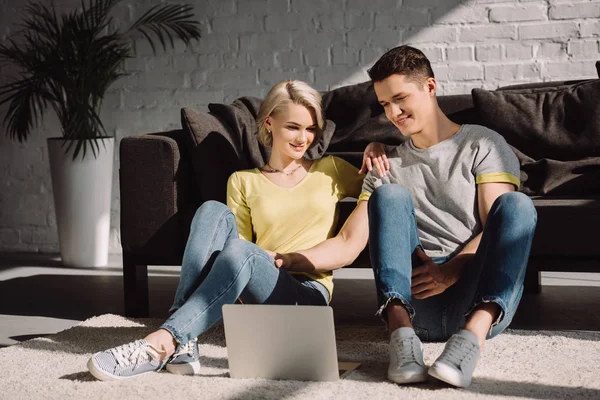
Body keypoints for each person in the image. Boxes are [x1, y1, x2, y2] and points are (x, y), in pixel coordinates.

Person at [87, 80, 368, 381]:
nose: (304, 138)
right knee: (211, 210)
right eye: (293, 127)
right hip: (261, 280)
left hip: (307, 291)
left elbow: (377, 181)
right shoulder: (243, 181)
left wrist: (375, 150)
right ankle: (185, 340)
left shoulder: (332, 169)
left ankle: (162, 342)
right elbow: (239, 247)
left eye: (311, 129)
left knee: (243, 252)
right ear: (269, 123)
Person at [356, 45, 537, 388]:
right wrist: (283, 260)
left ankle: (470, 341)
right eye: (384, 105)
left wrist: (452, 270)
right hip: (413, 302)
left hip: (477, 297)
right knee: (388, 193)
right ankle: (402, 339)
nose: (393, 112)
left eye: (400, 98)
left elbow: (498, 227)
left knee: (518, 206)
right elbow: (350, 242)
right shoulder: (384, 164)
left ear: (429, 87)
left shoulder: (483, 144)